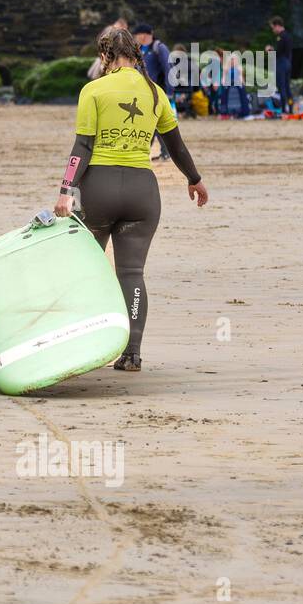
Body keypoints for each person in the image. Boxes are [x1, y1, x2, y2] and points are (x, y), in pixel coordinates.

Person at [53, 26, 208, 372]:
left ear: (105, 56)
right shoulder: (155, 93)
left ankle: (84, 344)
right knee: (132, 273)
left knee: (86, 271)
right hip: (142, 193)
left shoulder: (93, 90)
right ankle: (132, 352)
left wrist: (66, 190)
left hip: (98, 191)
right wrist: (194, 179)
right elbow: (175, 145)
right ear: (137, 56)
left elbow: (83, 146)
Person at [132, 24, 171, 159]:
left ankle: (160, 151)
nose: (137, 37)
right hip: (142, 92)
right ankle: (153, 151)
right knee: (149, 122)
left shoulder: (159, 48)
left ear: (145, 35)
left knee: (155, 121)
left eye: (138, 35)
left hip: (157, 91)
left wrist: (170, 91)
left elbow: (168, 69)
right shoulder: (137, 50)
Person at [269, 16, 293, 114]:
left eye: (273, 28)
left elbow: (278, 52)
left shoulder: (281, 37)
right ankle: (290, 108)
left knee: (282, 87)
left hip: (281, 63)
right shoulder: (288, 35)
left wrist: (270, 50)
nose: (273, 30)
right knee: (288, 88)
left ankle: (283, 110)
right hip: (288, 63)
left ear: (277, 26)